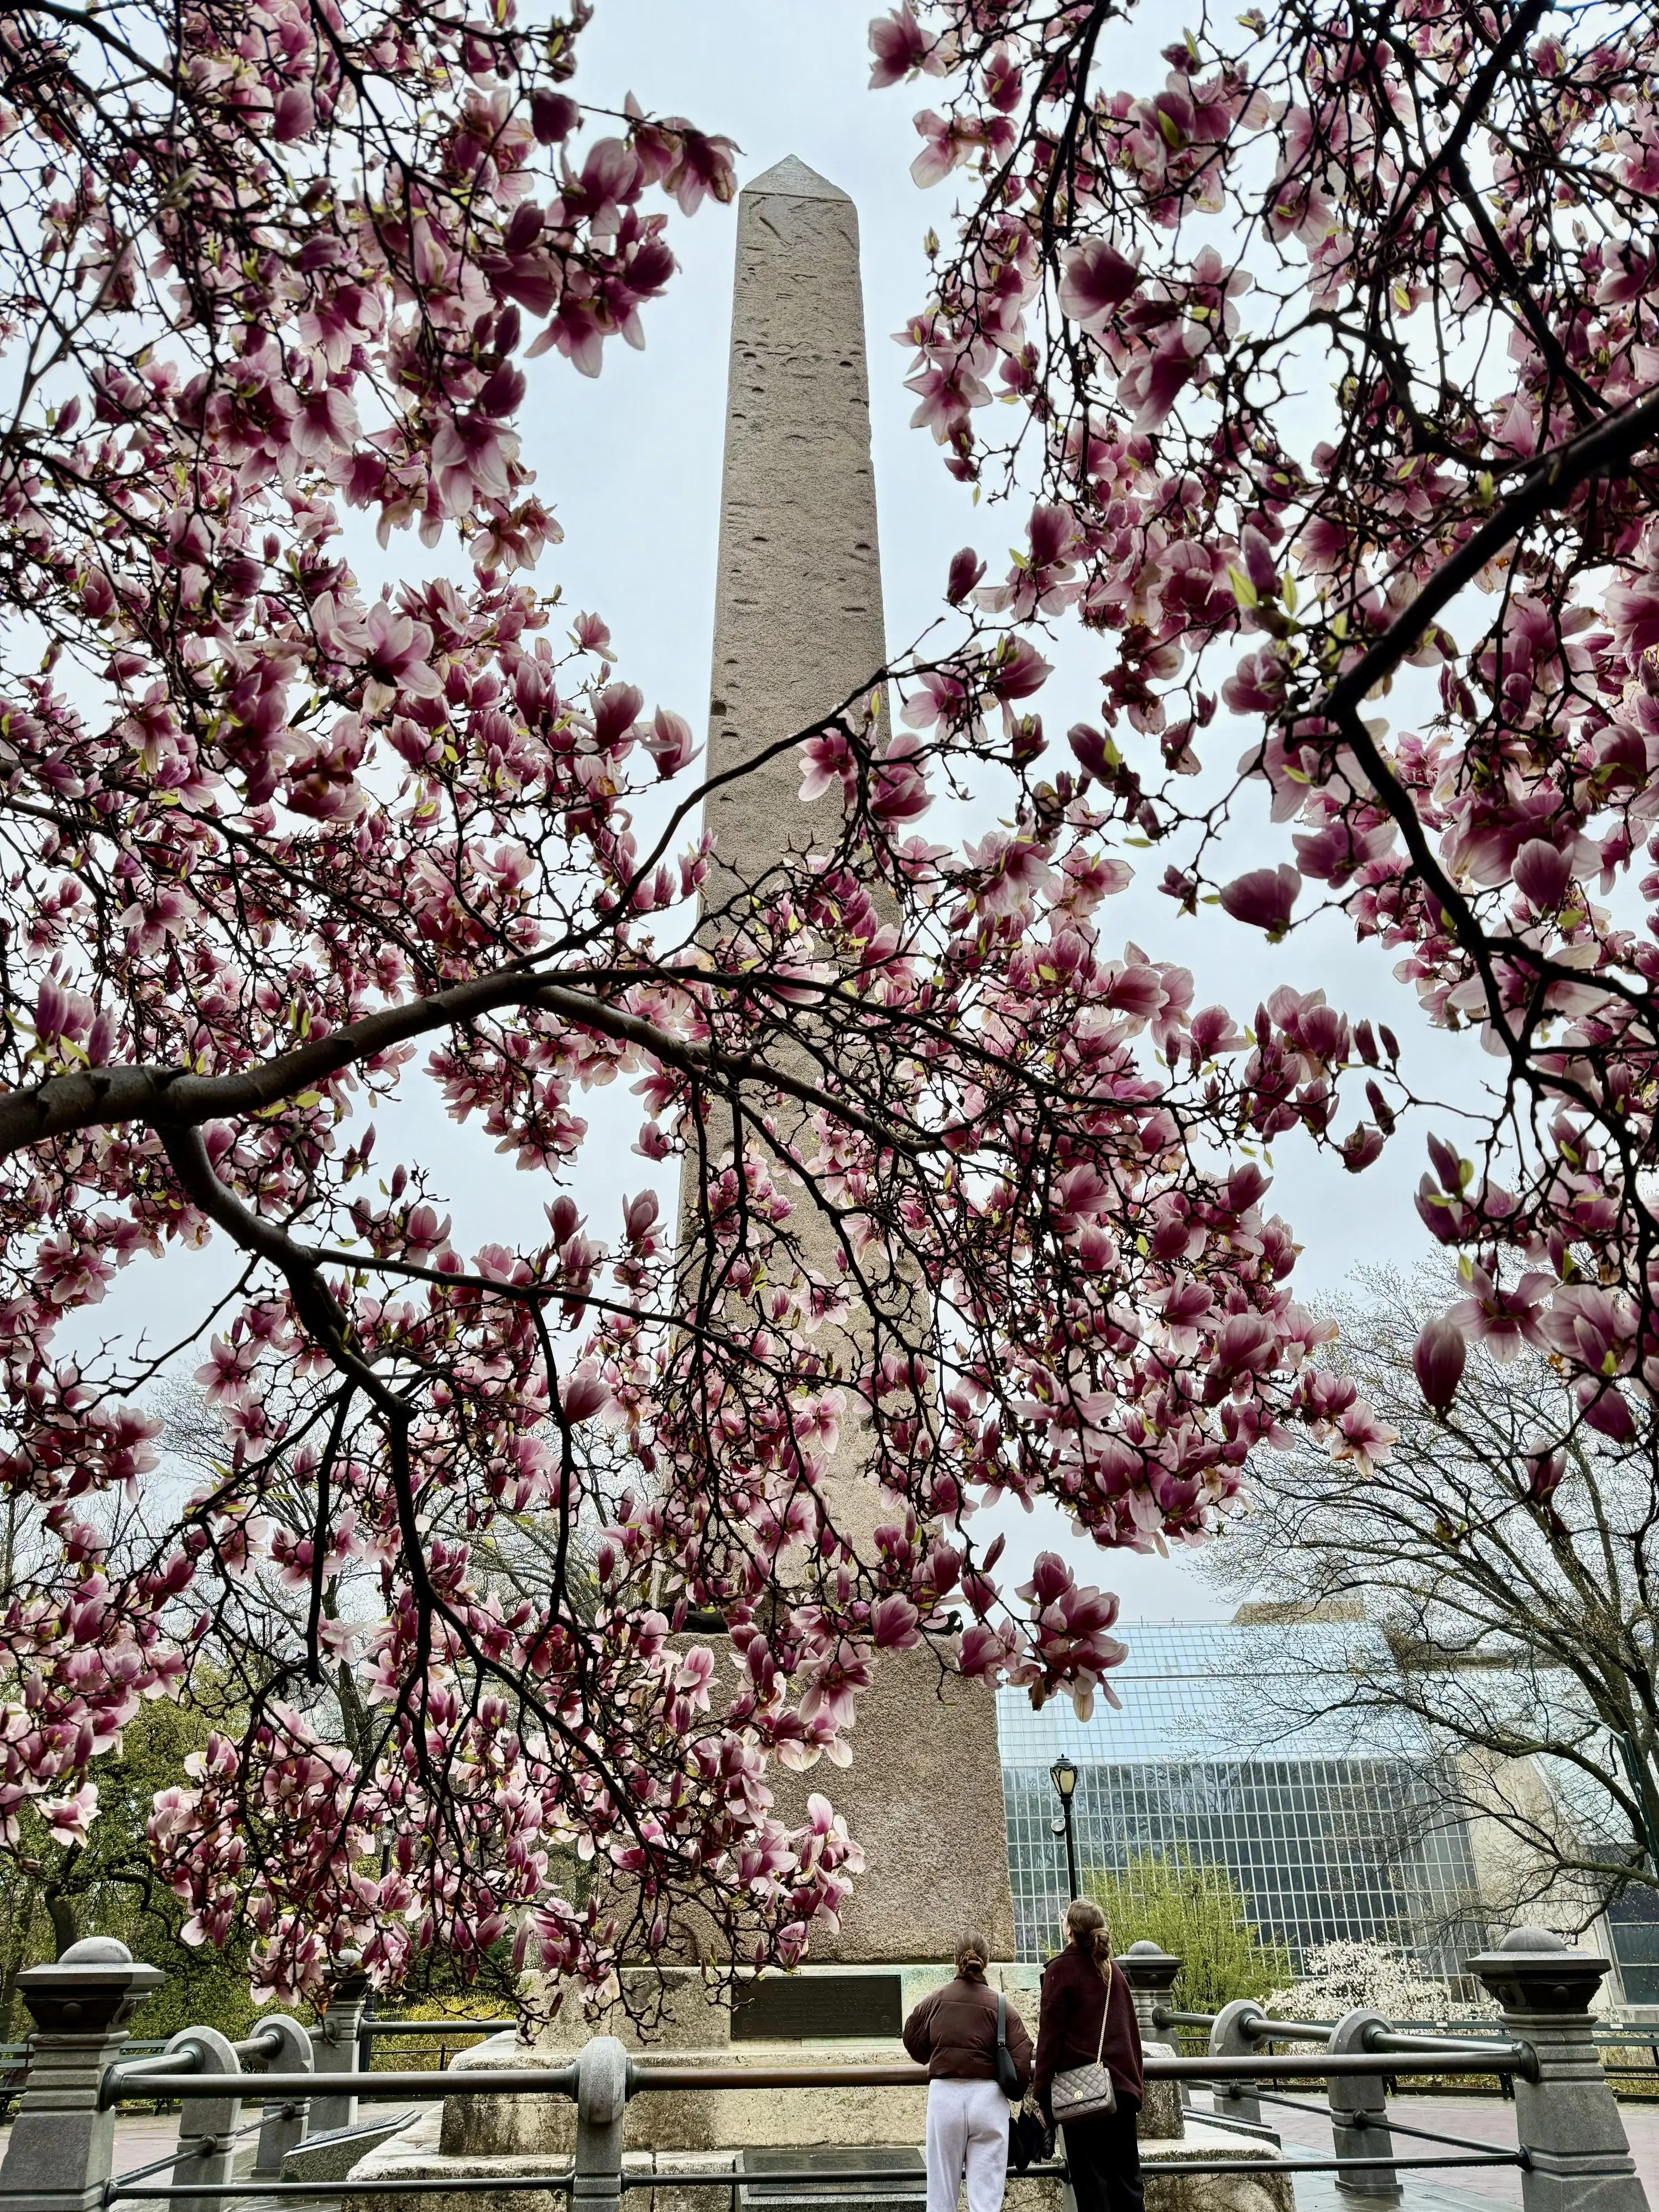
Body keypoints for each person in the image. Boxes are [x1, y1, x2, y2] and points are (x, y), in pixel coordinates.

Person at [904, 1930, 1034, 2212]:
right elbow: (1022, 2061)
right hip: (988, 2100)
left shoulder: (936, 2000)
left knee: (941, 2196)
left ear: (956, 1960)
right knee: (986, 2200)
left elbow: (913, 2043)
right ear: (985, 1962)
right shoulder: (1002, 2006)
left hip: (945, 2098)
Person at [1032, 1900, 1145, 2212]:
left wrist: (1043, 2097)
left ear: (1069, 1929)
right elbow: (1131, 2035)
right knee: (1128, 2184)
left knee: (1092, 2186)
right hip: (1120, 2094)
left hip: (1082, 2096)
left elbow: (1049, 2042)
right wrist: (1135, 2087)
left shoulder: (1060, 1972)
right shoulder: (1114, 1974)